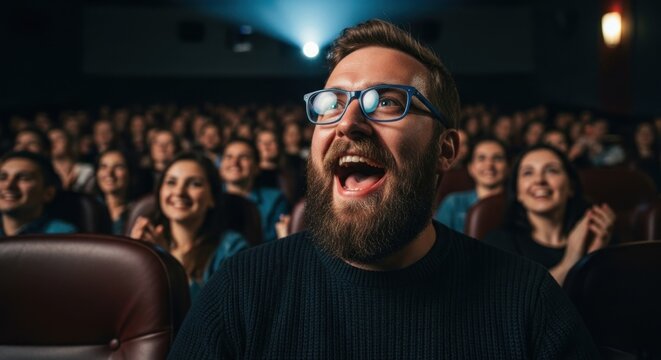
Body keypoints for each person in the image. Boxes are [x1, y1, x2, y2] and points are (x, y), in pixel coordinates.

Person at [169, 19, 598, 358]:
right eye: (331, 103)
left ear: (445, 149)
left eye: (387, 102)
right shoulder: (241, 290)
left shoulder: (527, 302)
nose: (347, 123)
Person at [484, 144, 615, 285]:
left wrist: (595, 256)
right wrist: (572, 259)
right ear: (517, 193)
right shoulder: (498, 243)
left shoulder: (599, 234)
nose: (539, 180)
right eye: (528, 173)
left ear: (571, 187)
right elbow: (520, 303)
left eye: (552, 170)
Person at [129, 152, 248, 300]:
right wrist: (132, 254)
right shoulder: (149, 242)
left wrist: (169, 262)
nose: (179, 192)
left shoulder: (231, 247)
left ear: (212, 197)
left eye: (194, 184)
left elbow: (218, 313)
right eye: (171, 182)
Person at [219, 137, 289, 243]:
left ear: (256, 167)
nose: (234, 162)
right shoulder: (209, 199)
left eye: (243, 157)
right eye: (228, 157)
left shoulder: (275, 200)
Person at [434, 137, 508, 233]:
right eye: (481, 158)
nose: (489, 165)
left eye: (497, 158)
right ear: (471, 168)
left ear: (508, 167)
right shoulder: (454, 202)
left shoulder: (518, 205)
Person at [0, 151, 77, 236]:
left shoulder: (61, 236)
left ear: (48, 193)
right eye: (3, 177)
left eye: (24, 178)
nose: (8, 186)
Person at [95, 149, 137, 235]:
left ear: (130, 173)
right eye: (103, 167)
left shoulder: (138, 211)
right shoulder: (87, 208)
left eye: (118, 167)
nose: (109, 173)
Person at [49, 128, 95, 193]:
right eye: (50, 140)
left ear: (69, 142)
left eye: (59, 138)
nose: (54, 142)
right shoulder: (44, 173)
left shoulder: (86, 171)